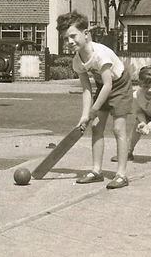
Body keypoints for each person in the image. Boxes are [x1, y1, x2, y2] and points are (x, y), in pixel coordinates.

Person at [56, 10, 133, 189]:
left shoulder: (100, 54)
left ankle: (121, 175)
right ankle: (96, 171)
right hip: (103, 88)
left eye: (73, 36)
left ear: (86, 33)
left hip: (120, 84)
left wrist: (94, 110)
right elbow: (86, 89)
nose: (70, 42)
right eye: (66, 38)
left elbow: (108, 85)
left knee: (118, 129)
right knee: (96, 127)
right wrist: (85, 115)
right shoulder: (77, 61)